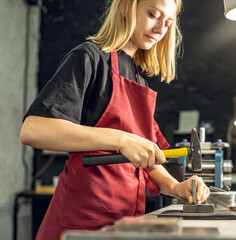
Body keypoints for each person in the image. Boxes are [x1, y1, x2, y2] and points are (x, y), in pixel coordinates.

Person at [20, 0, 210, 239]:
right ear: (125, 6)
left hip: (123, 222)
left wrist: (175, 187)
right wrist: (121, 140)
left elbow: (149, 158)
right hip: (81, 222)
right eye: (153, 14)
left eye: (168, 23)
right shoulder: (89, 58)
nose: (160, 29)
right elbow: (34, 129)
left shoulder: (140, 81)